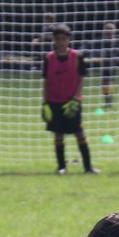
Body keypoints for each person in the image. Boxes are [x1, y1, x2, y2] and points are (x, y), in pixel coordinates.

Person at [41, 24, 98, 174]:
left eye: (64, 39)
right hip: (54, 101)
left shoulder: (77, 57)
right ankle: (61, 167)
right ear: (53, 40)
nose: (61, 42)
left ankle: (88, 167)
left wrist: (76, 98)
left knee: (79, 133)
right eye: (58, 39)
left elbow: (81, 78)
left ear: (69, 40)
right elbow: (46, 81)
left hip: (72, 102)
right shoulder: (49, 58)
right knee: (58, 134)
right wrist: (44, 102)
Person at [97, 21, 119, 110]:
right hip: (106, 64)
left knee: (108, 83)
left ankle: (109, 102)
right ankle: (108, 102)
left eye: (110, 29)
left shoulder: (113, 41)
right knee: (105, 83)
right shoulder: (105, 41)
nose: (107, 31)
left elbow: (114, 54)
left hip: (111, 65)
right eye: (106, 29)